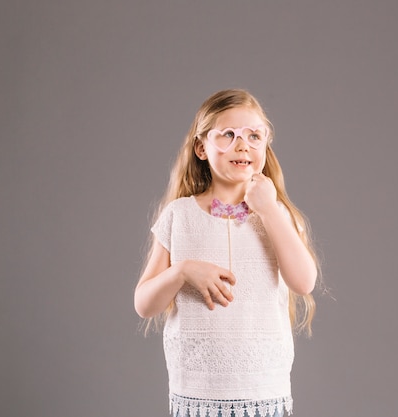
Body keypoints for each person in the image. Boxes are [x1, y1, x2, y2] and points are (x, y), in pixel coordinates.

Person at [134, 89, 318, 417]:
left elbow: (304, 282)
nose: (242, 144)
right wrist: (182, 271)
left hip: (263, 391)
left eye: (254, 135)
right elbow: (144, 304)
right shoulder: (179, 215)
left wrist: (269, 210)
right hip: (197, 393)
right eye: (229, 135)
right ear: (202, 148)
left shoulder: (277, 215)